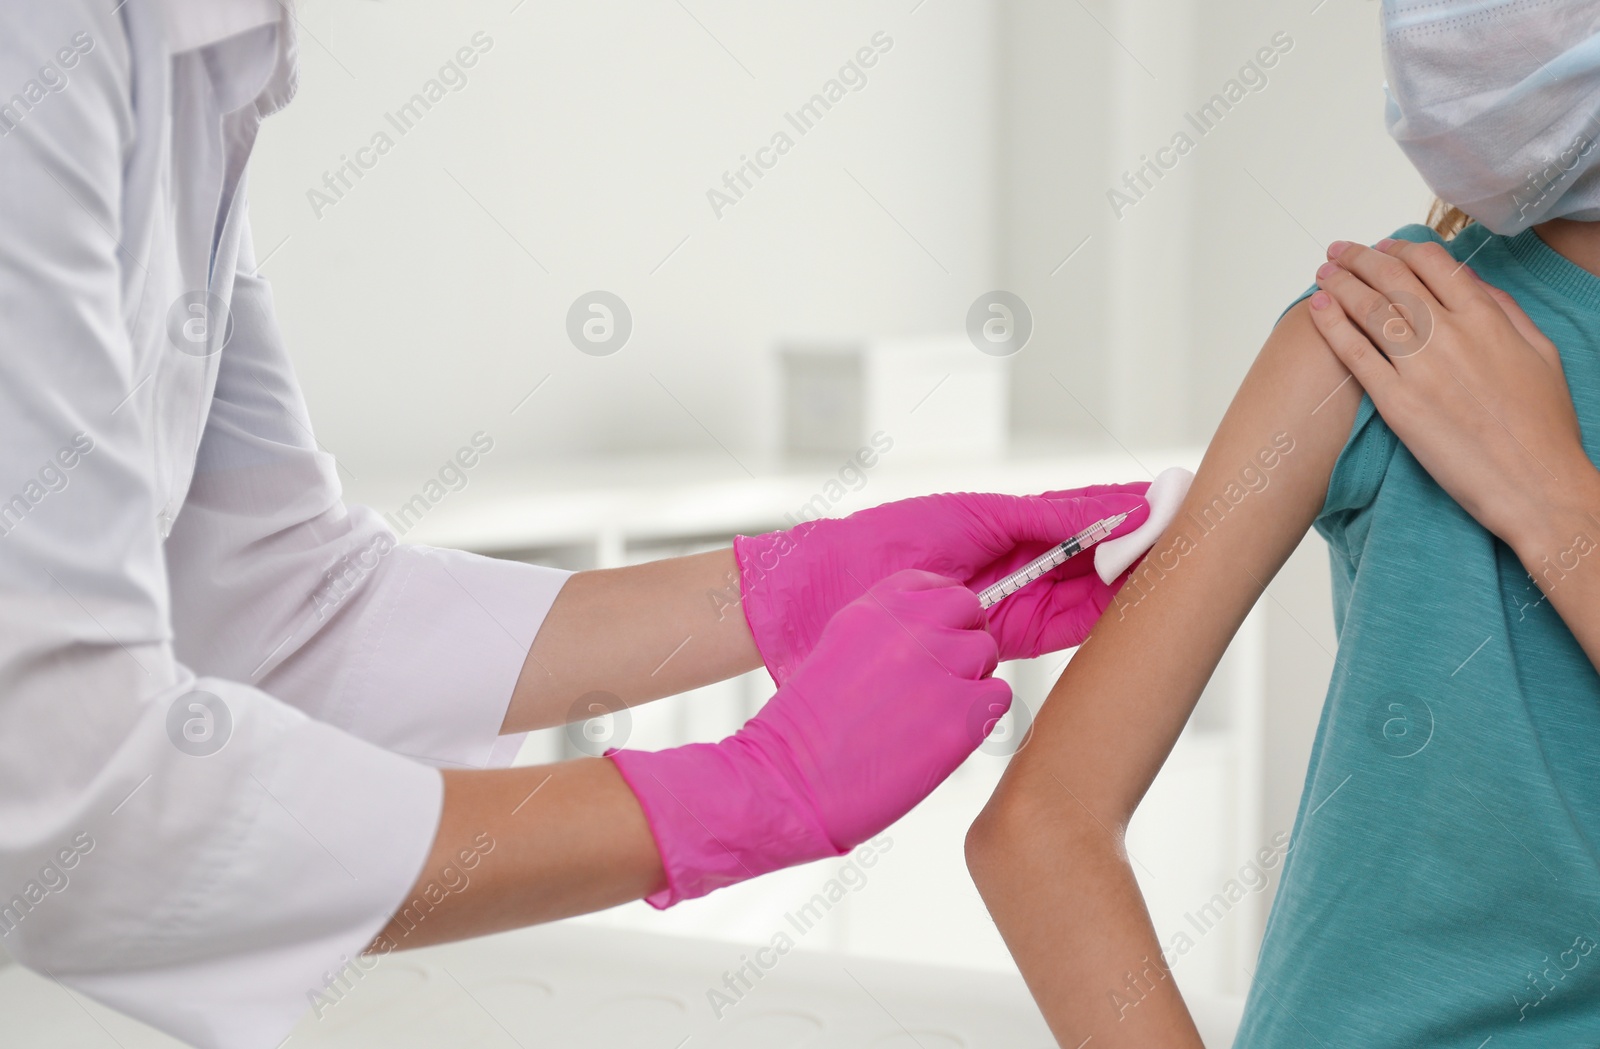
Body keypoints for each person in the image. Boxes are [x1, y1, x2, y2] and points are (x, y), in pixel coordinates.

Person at [0, 3, 1150, 1048]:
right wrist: (754, 788)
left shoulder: (192, 55)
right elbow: (70, 799)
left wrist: (784, 589)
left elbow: (275, 609)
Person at [967, 3, 1600, 1046]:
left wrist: (1549, 495)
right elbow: (1041, 830)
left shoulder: (1393, 333)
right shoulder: (1388, 326)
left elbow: (1039, 830)